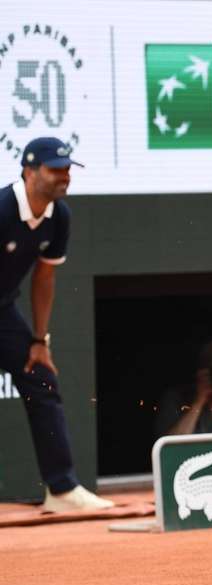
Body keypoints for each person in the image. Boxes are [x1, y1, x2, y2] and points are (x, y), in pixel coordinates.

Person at [0, 137, 114, 512]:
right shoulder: (1, 209)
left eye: (67, 169)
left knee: (41, 378)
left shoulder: (59, 216)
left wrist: (38, 339)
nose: (64, 177)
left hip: (4, 312)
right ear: (29, 172)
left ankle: (62, 490)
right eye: (55, 170)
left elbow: (44, 278)